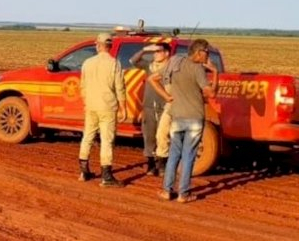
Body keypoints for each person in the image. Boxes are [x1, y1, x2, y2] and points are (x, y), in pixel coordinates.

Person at [150, 39, 218, 203]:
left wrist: (166, 96)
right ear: (198, 52)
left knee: (174, 154)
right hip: (194, 118)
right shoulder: (198, 69)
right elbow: (211, 94)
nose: (207, 56)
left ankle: (167, 190)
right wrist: (215, 72)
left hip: (177, 117)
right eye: (206, 53)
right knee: (188, 156)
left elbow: (152, 79)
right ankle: (184, 193)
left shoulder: (175, 63)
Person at [78, 33, 127, 187]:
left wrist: (87, 101)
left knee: (88, 136)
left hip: (91, 105)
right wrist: (123, 108)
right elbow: (120, 87)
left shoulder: (87, 62)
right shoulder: (114, 63)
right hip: (107, 106)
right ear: (110, 46)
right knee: (107, 140)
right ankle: (106, 176)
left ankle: (84, 172)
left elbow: (83, 86)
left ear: (98, 45)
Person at [129, 42, 171, 176]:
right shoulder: (149, 65)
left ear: (167, 53)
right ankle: (151, 164)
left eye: (159, 51)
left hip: (164, 106)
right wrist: (145, 49)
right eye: (154, 51)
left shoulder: (171, 68)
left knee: (163, 136)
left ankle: (162, 164)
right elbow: (133, 60)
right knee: (149, 135)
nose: (155, 54)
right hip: (148, 106)